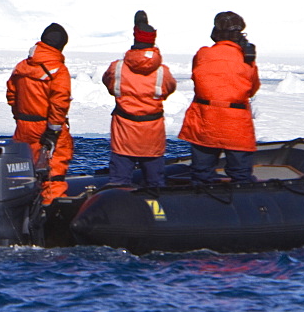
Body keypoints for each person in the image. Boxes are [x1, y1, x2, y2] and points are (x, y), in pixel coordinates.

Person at [178, 11, 261, 184]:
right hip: (236, 122)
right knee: (241, 175)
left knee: (201, 172)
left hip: (204, 119)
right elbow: (252, 88)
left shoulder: (202, 54)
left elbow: (197, 78)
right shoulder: (247, 58)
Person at [101, 10, 177, 186]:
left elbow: (109, 84)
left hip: (124, 135)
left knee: (119, 182)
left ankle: (118, 210)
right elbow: (169, 88)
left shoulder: (117, 68)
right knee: (155, 182)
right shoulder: (162, 72)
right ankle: (156, 212)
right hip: (152, 135)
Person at [6, 22, 73, 204]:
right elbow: (59, 103)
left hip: (23, 128)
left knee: (24, 174)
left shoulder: (21, 67)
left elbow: (12, 94)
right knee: (53, 175)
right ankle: (50, 218)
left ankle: (20, 215)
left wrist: (20, 117)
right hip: (46, 128)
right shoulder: (58, 71)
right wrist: (53, 131)